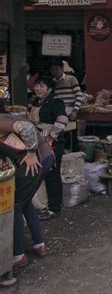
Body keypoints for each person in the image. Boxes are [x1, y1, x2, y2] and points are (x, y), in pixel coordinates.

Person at [0, 114, 55, 268]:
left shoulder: (1, 120)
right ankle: (39, 245)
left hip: (35, 161)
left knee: (15, 205)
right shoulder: (7, 118)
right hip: (45, 158)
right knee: (26, 202)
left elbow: (28, 128)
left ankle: (18, 255)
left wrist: (30, 154)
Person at [28, 76, 69, 220]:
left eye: (42, 86)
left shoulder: (56, 102)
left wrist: (51, 137)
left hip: (52, 144)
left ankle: (54, 208)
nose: (38, 89)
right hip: (37, 142)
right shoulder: (35, 101)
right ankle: (42, 204)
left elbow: (63, 120)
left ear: (49, 89)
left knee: (52, 175)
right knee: (41, 173)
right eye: (36, 86)